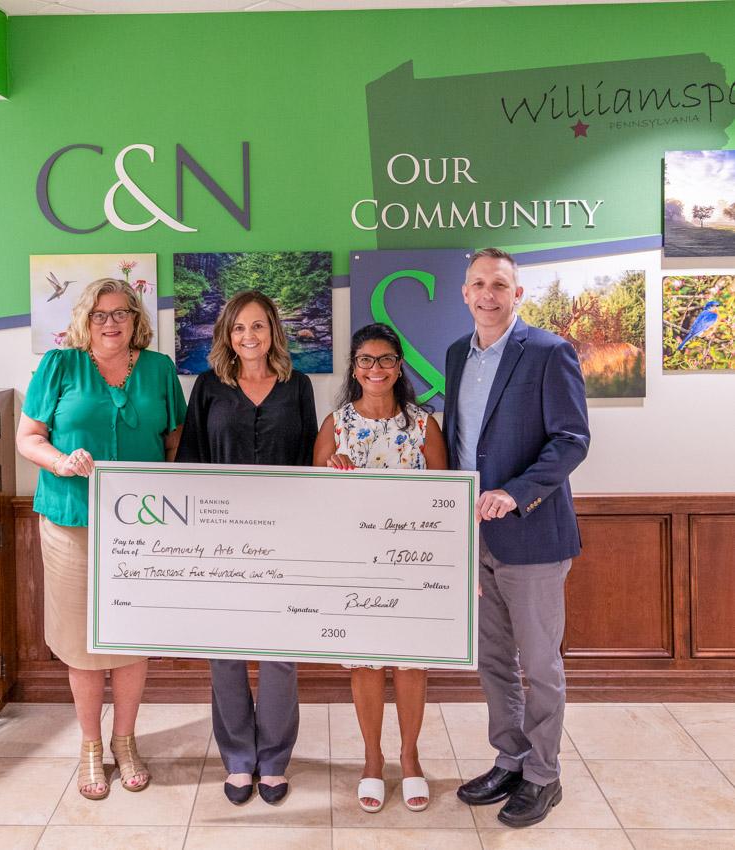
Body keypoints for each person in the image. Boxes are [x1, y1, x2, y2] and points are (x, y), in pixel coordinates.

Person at [16, 278, 186, 800]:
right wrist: (61, 463)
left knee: (132, 637)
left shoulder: (159, 370)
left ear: (137, 319)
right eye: (100, 314)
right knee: (82, 642)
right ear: (84, 321)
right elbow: (29, 438)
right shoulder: (58, 366)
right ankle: (91, 745)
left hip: (142, 528)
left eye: (122, 313)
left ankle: (126, 740)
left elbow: (173, 439)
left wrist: (153, 494)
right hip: (72, 522)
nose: (111, 322)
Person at [443, 248, 590, 828]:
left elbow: (571, 439)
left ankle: (544, 775)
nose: (488, 294)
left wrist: (515, 491)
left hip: (531, 535)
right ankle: (511, 758)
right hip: (473, 537)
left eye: (499, 285)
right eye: (478, 283)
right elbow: (461, 443)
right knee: (495, 661)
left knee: (541, 664)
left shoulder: (550, 352)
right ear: (464, 292)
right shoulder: (458, 355)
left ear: (517, 294)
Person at [175, 290, 317, 806]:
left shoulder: (297, 385)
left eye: (258, 326)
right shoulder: (208, 386)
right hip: (220, 541)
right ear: (227, 334)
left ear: (273, 330)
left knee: (280, 653)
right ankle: (238, 758)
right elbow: (190, 458)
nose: (249, 336)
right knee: (226, 654)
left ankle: (274, 759)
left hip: (285, 539)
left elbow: (307, 459)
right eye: (239, 328)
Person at [313, 323, 447, 814]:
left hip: (413, 566)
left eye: (386, 359)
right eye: (366, 360)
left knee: (411, 664)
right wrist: (334, 474)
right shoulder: (335, 425)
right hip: (354, 567)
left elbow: (443, 498)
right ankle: (373, 760)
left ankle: (410, 759)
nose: (376, 369)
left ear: (399, 366)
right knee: (367, 664)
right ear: (354, 367)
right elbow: (315, 502)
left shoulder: (423, 425)